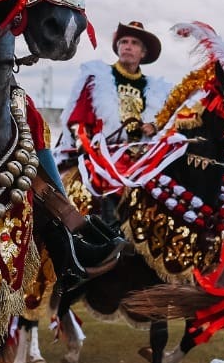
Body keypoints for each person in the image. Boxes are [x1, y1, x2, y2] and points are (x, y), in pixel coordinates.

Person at [57, 20, 172, 220]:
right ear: (118, 48)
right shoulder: (96, 78)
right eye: (123, 42)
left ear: (143, 53)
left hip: (142, 159)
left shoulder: (158, 90)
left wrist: (155, 127)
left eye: (134, 43)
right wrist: (90, 152)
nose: (128, 46)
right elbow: (77, 122)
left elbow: (168, 124)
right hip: (99, 157)